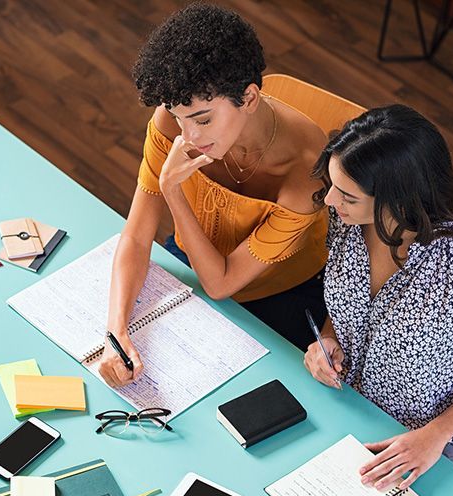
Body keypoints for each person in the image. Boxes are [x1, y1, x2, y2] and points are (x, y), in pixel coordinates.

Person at [304, 104, 453, 489]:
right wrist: (327, 340)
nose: (331, 201)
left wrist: (433, 436)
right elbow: (350, 307)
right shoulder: (349, 219)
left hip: (445, 437)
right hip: (358, 405)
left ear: (399, 198)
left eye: (347, 195)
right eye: (334, 186)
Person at [99, 4, 329, 388]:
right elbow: (137, 236)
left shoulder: (304, 170)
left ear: (250, 98)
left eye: (203, 119)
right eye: (178, 116)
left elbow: (221, 286)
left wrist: (172, 190)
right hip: (195, 255)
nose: (188, 136)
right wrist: (115, 331)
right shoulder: (174, 121)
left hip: (281, 292)